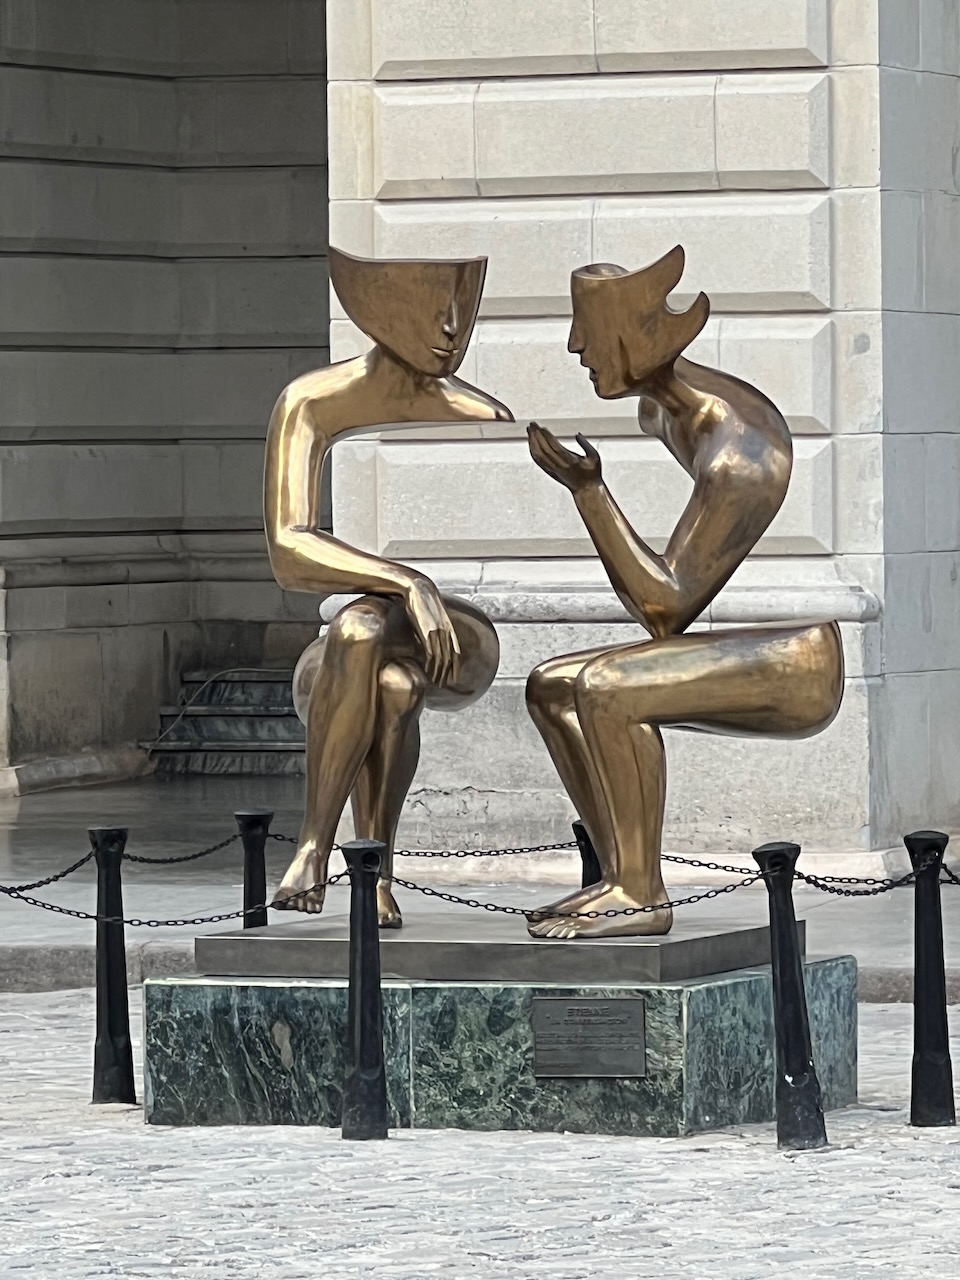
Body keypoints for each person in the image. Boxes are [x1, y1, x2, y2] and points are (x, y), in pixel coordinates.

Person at [524, 246, 843, 939]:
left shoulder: (739, 455)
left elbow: (665, 609)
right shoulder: (661, 413)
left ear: (635, 338)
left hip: (798, 664)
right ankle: (619, 873)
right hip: (757, 648)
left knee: (608, 688)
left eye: (588, 330)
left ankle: (642, 895)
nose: (576, 346)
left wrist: (589, 492)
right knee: (550, 687)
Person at [264, 247, 511, 926]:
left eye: (464, 307)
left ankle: (313, 847)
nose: (454, 328)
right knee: (389, 677)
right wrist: (405, 582)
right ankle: (373, 876)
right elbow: (289, 552)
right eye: (436, 309)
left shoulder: (482, 412)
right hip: (359, 651)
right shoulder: (311, 404)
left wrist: (421, 592)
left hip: (460, 638)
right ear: (379, 313)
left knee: (360, 628)